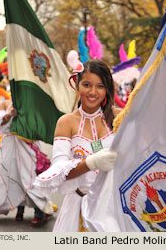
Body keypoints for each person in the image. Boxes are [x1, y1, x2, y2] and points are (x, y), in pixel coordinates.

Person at [33, 59, 121, 231]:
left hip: (114, 210)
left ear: (107, 89)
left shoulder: (120, 117)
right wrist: (91, 163)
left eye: (100, 86)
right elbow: (59, 170)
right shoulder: (66, 122)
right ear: (77, 84)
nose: (93, 92)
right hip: (78, 209)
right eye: (87, 84)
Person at [0, 99, 57, 226]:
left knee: (31, 177)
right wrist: (9, 115)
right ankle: (20, 210)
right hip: (10, 145)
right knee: (11, 176)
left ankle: (39, 211)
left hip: (28, 144)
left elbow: (42, 123)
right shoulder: (5, 103)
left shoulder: (33, 100)